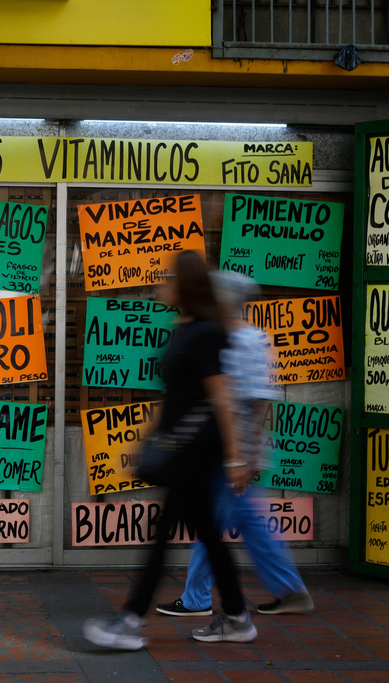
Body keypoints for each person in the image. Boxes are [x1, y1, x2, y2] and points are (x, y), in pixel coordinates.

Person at [82, 251, 257, 650]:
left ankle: (129, 619)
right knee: (208, 536)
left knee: (163, 536)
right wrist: (145, 438)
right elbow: (172, 394)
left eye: (167, 278)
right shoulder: (184, 328)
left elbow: (222, 397)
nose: (160, 285)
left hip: (197, 450)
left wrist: (235, 457)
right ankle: (236, 615)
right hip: (181, 448)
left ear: (185, 285)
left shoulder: (207, 333)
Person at [155, 270, 313, 619]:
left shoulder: (249, 339)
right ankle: (289, 590)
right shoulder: (218, 334)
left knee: (213, 521)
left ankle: (197, 598)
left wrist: (244, 454)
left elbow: (258, 400)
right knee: (245, 521)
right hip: (221, 447)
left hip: (232, 451)